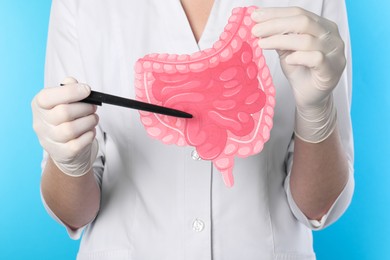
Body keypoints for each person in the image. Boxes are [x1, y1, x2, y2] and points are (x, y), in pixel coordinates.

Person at [32, 0, 354, 259]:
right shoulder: (81, 5)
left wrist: (317, 113)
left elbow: (318, 208)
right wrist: (69, 161)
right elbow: (72, 214)